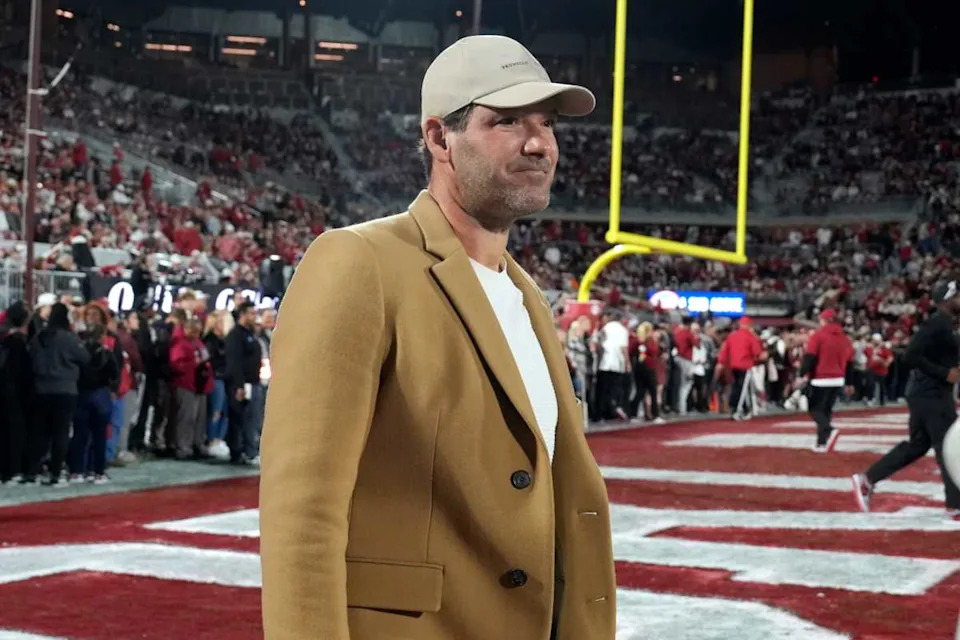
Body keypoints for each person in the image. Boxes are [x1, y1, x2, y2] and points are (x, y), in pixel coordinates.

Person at [260, 35, 615, 640]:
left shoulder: (526, 295)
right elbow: (302, 512)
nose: (539, 144)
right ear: (438, 137)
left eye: (547, 123)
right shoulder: (358, 261)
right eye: (506, 121)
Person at [853, 280, 960, 518]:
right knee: (950, 448)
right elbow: (911, 354)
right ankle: (956, 504)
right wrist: (944, 373)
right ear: (948, 299)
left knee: (918, 445)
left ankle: (868, 479)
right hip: (931, 394)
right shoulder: (937, 324)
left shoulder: (944, 325)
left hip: (928, 394)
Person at [28, 303, 89, 486]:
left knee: (40, 433)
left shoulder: (38, 338)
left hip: (41, 389)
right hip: (65, 389)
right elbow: (85, 358)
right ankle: (56, 472)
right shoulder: (69, 338)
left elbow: (31, 357)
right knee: (61, 433)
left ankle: (33, 471)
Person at [799, 309, 854, 453]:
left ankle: (829, 430)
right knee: (826, 411)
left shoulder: (818, 336)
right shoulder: (845, 338)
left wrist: (801, 373)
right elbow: (850, 363)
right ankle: (821, 443)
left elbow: (810, 357)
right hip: (838, 379)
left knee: (814, 409)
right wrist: (849, 382)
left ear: (822, 320)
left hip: (820, 378)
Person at [225, 301, 263, 465]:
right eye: (251, 314)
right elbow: (235, 362)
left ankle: (249, 450)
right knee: (242, 418)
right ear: (242, 315)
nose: (254, 317)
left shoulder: (250, 334)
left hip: (254, 382)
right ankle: (240, 451)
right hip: (243, 383)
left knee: (252, 419)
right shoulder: (235, 335)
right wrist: (239, 385)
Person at [0, 302, 33, 484]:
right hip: (14, 392)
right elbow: (24, 371)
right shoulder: (17, 341)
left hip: (5, 389)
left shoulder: (4, 337)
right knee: (14, 432)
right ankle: (12, 470)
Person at [715, 316, 764, 420]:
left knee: (737, 386)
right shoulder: (750, 336)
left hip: (734, 366)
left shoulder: (732, 336)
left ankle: (740, 408)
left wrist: (721, 363)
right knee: (743, 389)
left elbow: (724, 350)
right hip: (745, 365)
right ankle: (738, 409)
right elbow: (758, 352)